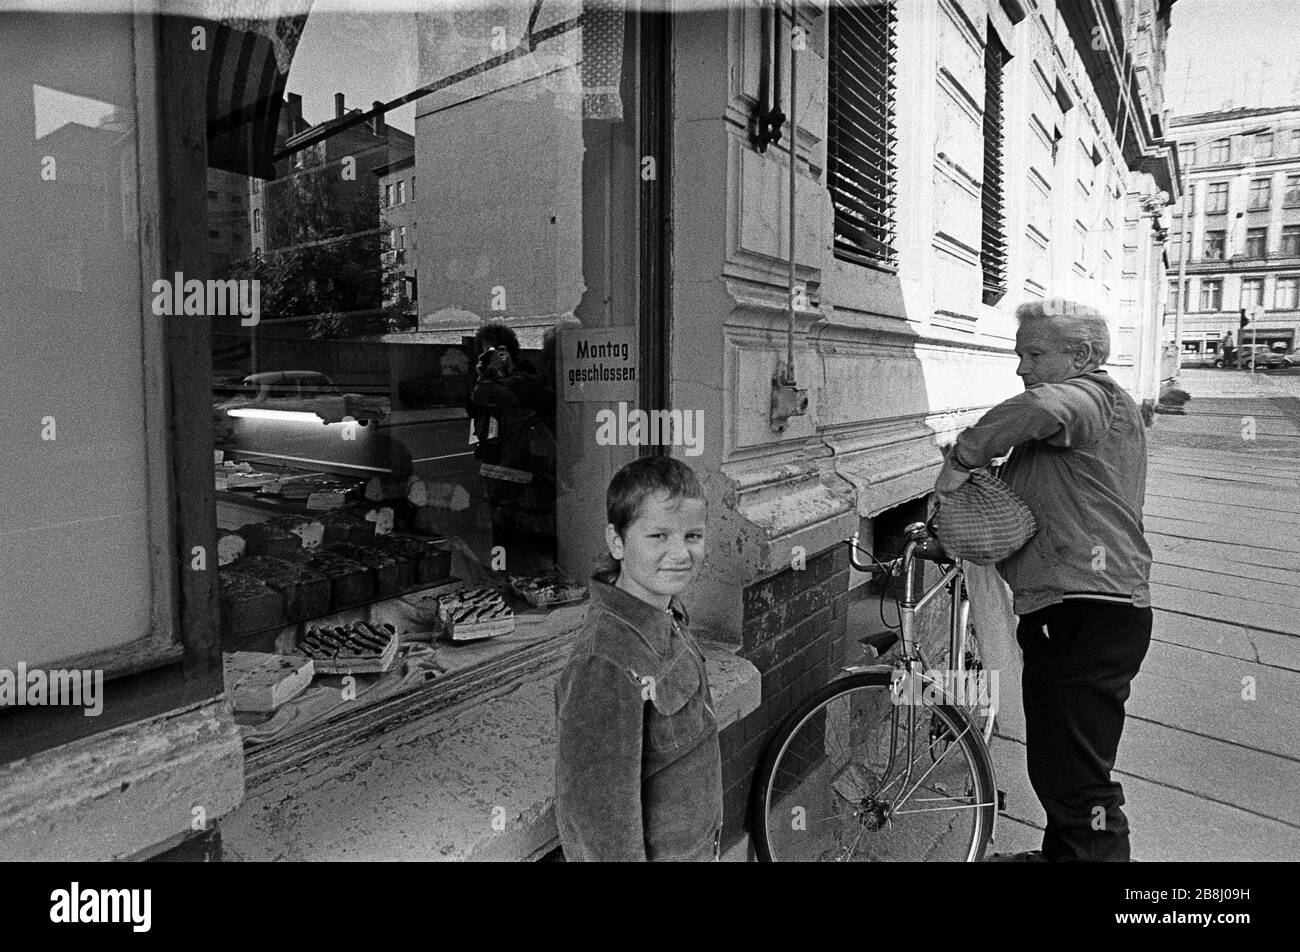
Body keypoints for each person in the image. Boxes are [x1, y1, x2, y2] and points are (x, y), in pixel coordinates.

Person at [934, 298, 1153, 862]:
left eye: (1033, 353)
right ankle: (1063, 856)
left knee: (1076, 772)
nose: (1021, 367)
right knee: (1064, 758)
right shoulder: (1080, 425)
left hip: (1085, 608)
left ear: (1080, 355)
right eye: (1019, 354)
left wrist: (962, 457)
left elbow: (1041, 404)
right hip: (1084, 606)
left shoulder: (1091, 399)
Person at [554, 456, 723, 861]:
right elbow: (599, 822)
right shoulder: (606, 659)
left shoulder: (667, 613)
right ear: (617, 542)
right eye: (658, 536)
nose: (680, 553)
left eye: (693, 535)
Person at [467, 320, 557, 572]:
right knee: (503, 546)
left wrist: (492, 377)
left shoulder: (524, 382)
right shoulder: (486, 383)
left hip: (525, 479)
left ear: (507, 352)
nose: (488, 359)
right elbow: (475, 405)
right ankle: (506, 577)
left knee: (529, 549)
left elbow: (497, 395)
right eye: (484, 354)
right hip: (501, 478)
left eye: (492, 353)